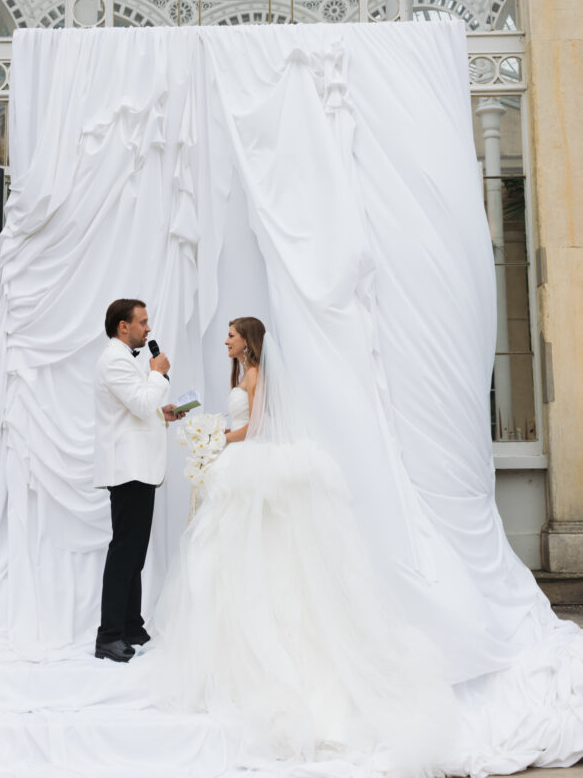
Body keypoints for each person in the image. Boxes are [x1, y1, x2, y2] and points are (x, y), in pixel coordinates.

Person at [150, 316, 459, 770]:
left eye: (231, 335)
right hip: (238, 461)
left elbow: (256, 426)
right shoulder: (245, 374)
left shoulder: (255, 374)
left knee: (246, 553)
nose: (225, 341)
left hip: (245, 461)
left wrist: (217, 439)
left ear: (247, 342)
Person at [93, 298, 183, 664]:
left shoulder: (123, 360)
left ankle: (132, 627)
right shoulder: (114, 360)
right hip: (128, 469)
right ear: (123, 327)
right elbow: (142, 403)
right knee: (124, 553)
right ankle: (109, 636)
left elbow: (139, 408)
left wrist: (162, 413)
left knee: (134, 554)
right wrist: (158, 373)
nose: (148, 329)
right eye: (142, 322)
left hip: (139, 468)